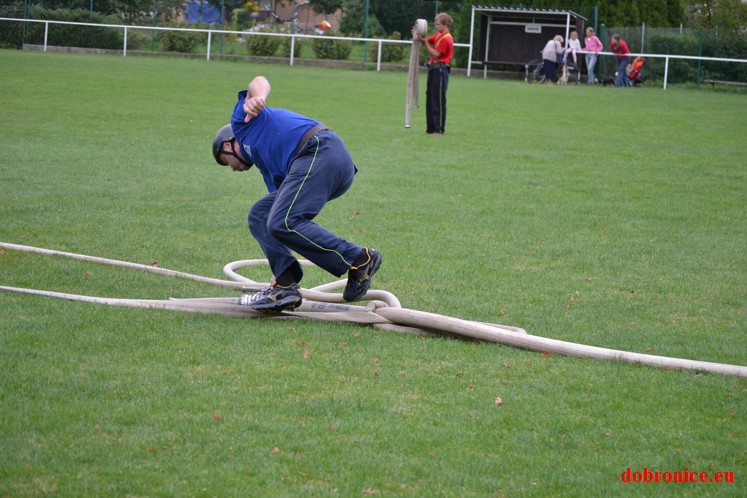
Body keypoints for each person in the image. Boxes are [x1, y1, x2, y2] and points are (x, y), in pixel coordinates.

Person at [211, 76, 382, 312]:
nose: (232, 168)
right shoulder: (268, 168)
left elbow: (259, 80)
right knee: (262, 215)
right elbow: (278, 227)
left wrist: (258, 97)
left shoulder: (244, 124)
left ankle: (360, 258)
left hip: (320, 150)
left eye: (225, 161)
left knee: (282, 220)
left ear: (229, 144)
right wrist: (278, 272)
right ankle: (285, 284)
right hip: (324, 164)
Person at [415, 13, 454, 135]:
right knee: (430, 98)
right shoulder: (438, 35)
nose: (436, 26)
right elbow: (426, 41)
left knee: (438, 99)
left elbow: (436, 54)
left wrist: (425, 44)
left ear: (445, 24)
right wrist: (419, 36)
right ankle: (431, 128)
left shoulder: (447, 38)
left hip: (441, 71)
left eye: (438, 24)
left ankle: (439, 129)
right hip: (433, 69)